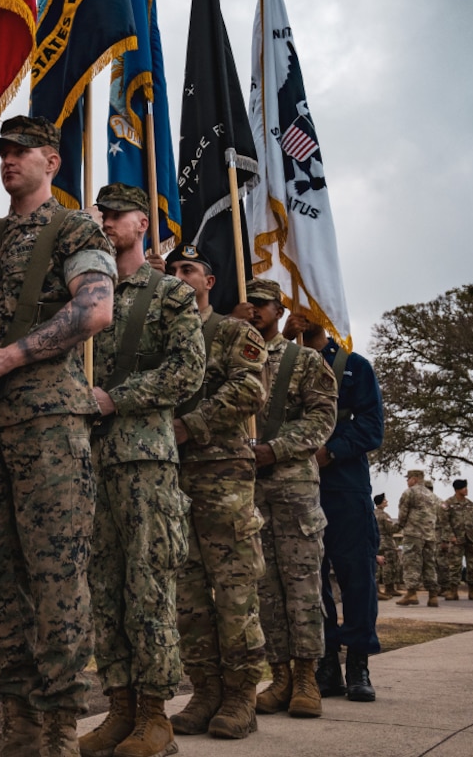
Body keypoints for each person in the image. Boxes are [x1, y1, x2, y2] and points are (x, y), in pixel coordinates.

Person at [0, 116, 116, 757]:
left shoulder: (75, 227)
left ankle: (58, 727)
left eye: (22, 151)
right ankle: (17, 718)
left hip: (47, 423)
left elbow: (95, 308)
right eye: (4, 151)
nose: (9, 160)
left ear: (52, 159)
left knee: (55, 577)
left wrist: (13, 356)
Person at [79, 185, 206, 757]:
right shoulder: (85, 292)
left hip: (144, 458)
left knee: (149, 585)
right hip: (89, 459)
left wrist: (118, 398)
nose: (104, 221)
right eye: (98, 213)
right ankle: (120, 707)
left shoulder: (170, 294)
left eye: (114, 214)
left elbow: (188, 372)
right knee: (104, 589)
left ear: (142, 222)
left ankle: (157, 715)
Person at [165, 243, 268, 740]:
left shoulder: (233, 332)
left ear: (210, 281)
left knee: (233, 591)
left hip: (222, 474)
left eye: (189, 270)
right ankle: (204, 690)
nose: (179, 276)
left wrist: (193, 424)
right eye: (172, 269)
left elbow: (250, 388)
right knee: (187, 596)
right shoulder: (159, 335)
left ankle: (241, 695)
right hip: (171, 476)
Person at [244, 280, 338, 720]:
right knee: (264, 588)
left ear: (279, 312)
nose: (254, 311)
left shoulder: (305, 361)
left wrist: (275, 448)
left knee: (302, 586)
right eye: (249, 304)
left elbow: (323, 419)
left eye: (262, 304)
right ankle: (278, 675)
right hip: (248, 489)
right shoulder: (233, 360)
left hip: (293, 486)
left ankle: (306, 677)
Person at [283, 312, 384, 704]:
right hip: (295, 485)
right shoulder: (282, 363)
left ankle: (358, 662)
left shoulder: (354, 367)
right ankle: (326, 663)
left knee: (356, 574)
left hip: (343, 485)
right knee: (311, 579)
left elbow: (372, 427)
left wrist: (332, 451)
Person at [394, 470, 439, 607]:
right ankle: (433, 596)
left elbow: (403, 513)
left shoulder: (410, 492)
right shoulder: (433, 495)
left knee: (411, 562)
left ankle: (411, 593)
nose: (407, 482)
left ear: (413, 479)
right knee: (429, 564)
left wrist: (398, 527)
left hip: (413, 534)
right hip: (430, 535)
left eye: (408, 479)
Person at [442, 480, 473, 600]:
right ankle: (453, 591)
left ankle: (472, 591)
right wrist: (450, 536)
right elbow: (444, 522)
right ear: (457, 489)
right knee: (455, 566)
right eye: (463, 488)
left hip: (471, 540)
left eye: (466, 487)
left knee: (472, 566)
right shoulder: (448, 504)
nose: (466, 490)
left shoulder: (471, 505)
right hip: (456, 540)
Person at [374, 493, 403, 598]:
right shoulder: (384, 516)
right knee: (389, 566)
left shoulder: (372, 514)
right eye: (385, 500)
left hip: (376, 543)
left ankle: (376, 589)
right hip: (386, 543)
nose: (386, 502)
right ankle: (389, 588)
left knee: (376, 567)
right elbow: (391, 530)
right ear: (381, 502)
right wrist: (400, 525)